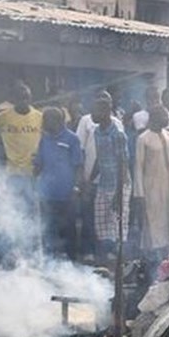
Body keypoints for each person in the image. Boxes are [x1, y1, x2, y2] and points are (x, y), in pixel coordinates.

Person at [75, 90, 124, 262]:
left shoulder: (117, 128)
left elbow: (122, 159)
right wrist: (85, 178)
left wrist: (120, 188)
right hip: (95, 178)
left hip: (114, 181)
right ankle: (92, 252)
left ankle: (110, 254)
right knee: (92, 216)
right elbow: (87, 152)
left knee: (112, 219)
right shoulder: (89, 124)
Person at [133, 106, 169, 258]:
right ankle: (154, 258)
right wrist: (139, 194)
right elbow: (138, 167)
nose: (166, 119)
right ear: (154, 118)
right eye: (163, 117)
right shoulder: (143, 139)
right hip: (152, 187)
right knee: (155, 222)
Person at [33, 107, 83, 259]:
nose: (43, 124)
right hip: (47, 195)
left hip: (67, 195)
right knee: (48, 230)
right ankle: (50, 264)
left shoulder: (72, 139)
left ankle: (72, 264)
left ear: (58, 121)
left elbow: (78, 166)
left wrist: (76, 187)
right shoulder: (44, 139)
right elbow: (39, 165)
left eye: (46, 120)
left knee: (69, 231)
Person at [90, 96, 130, 263]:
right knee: (101, 223)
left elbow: (124, 164)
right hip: (104, 183)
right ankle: (107, 259)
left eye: (96, 110)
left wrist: (118, 193)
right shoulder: (97, 132)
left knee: (118, 224)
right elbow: (99, 158)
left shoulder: (118, 134)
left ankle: (121, 261)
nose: (92, 114)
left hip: (119, 184)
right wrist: (89, 181)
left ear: (106, 112)